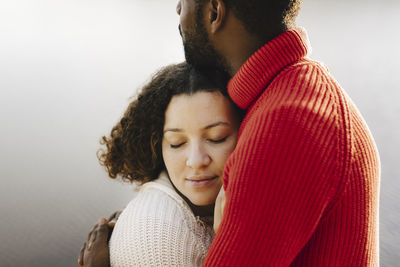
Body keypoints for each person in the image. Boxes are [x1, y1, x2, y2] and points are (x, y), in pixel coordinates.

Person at [81, 0, 380, 265]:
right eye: (176, 142)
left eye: (184, 1)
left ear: (214, 12)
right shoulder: (293, 94)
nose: (177, 9)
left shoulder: (286, 125)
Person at [79, 62, 242, 267]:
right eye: (177, 143)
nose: (196, 161)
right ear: (157, 145)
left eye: (216, 138)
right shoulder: (156, 238)